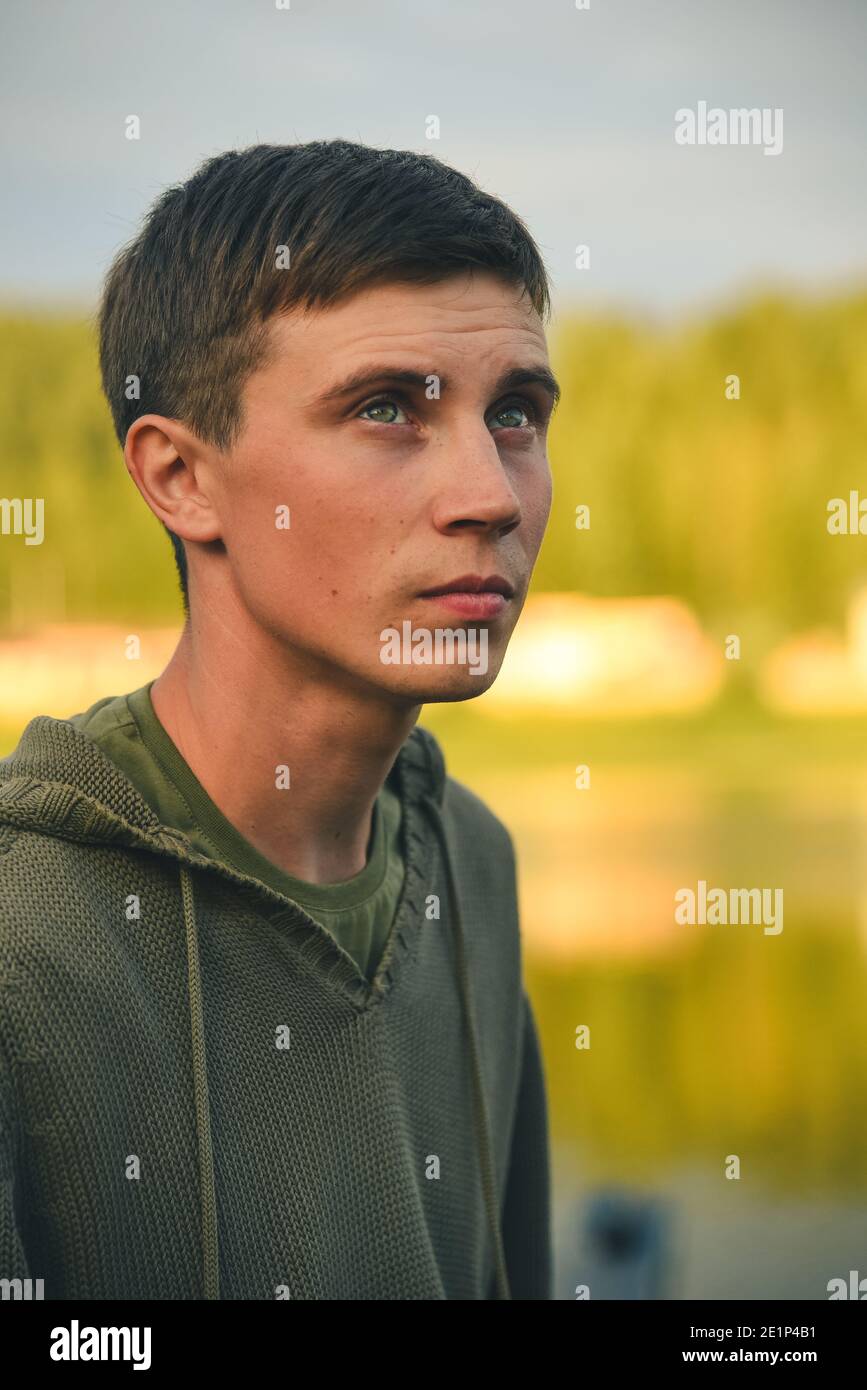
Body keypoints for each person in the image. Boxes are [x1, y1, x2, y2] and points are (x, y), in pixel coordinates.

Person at [0, 139, 560, 1300]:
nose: (491, 496)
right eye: (387, 408)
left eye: (515, 411)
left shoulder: (474, 862)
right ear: (180, 478)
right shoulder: (24, 941)